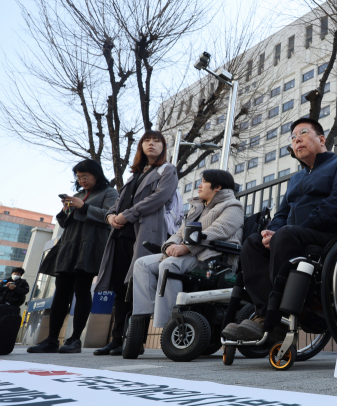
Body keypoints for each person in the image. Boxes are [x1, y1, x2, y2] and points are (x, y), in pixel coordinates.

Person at [222, 117, 337, 341]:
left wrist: (293, 229)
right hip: (294, 236)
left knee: (286, 235)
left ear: (322, 139)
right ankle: (265, 314)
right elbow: (281, 214)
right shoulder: (295, 179)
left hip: (331, 233)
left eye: (303, 133)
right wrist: (271, 232)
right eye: (293, 138)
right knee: (253, 243)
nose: (297, 140)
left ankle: (276, 316)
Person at [93, 130, 179, 356]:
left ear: (163, 147)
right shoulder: (134, 175)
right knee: (121, 287)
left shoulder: (167, 170)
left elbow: (159, 198)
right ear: (141, 146)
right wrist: (110, 216)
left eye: (157, 141)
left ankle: (134, 340)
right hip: (121, 234)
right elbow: (118, 203)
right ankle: (116, 339)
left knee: (137, 287)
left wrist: (127, 215)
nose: (151, 144)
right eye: (147, 141)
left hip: (145, 235)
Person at [131, 169, 243, 330]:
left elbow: (219, 230)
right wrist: (170, 246)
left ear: (217, 187)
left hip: (213, 257)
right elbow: (180, 232)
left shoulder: (233, 206)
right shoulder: (198, 207)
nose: (199, 185)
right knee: (142, 264)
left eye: (203, 182)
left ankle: (171, 323)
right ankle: (143, 316)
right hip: (189, 255)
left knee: (168, 266)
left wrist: (186, 247)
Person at [27, 160, 117, 354]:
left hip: (90, 246)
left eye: (85, 176)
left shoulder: (109, 193)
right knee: (60, 293)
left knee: (82, 290)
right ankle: (51, 339)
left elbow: (109, 216)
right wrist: (67, 208)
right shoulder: (78, 195)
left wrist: (82, 206)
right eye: (78, 177)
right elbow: (65, 222)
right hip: (69, 245)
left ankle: (75, 339)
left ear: (96, 174)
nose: (81, 180)